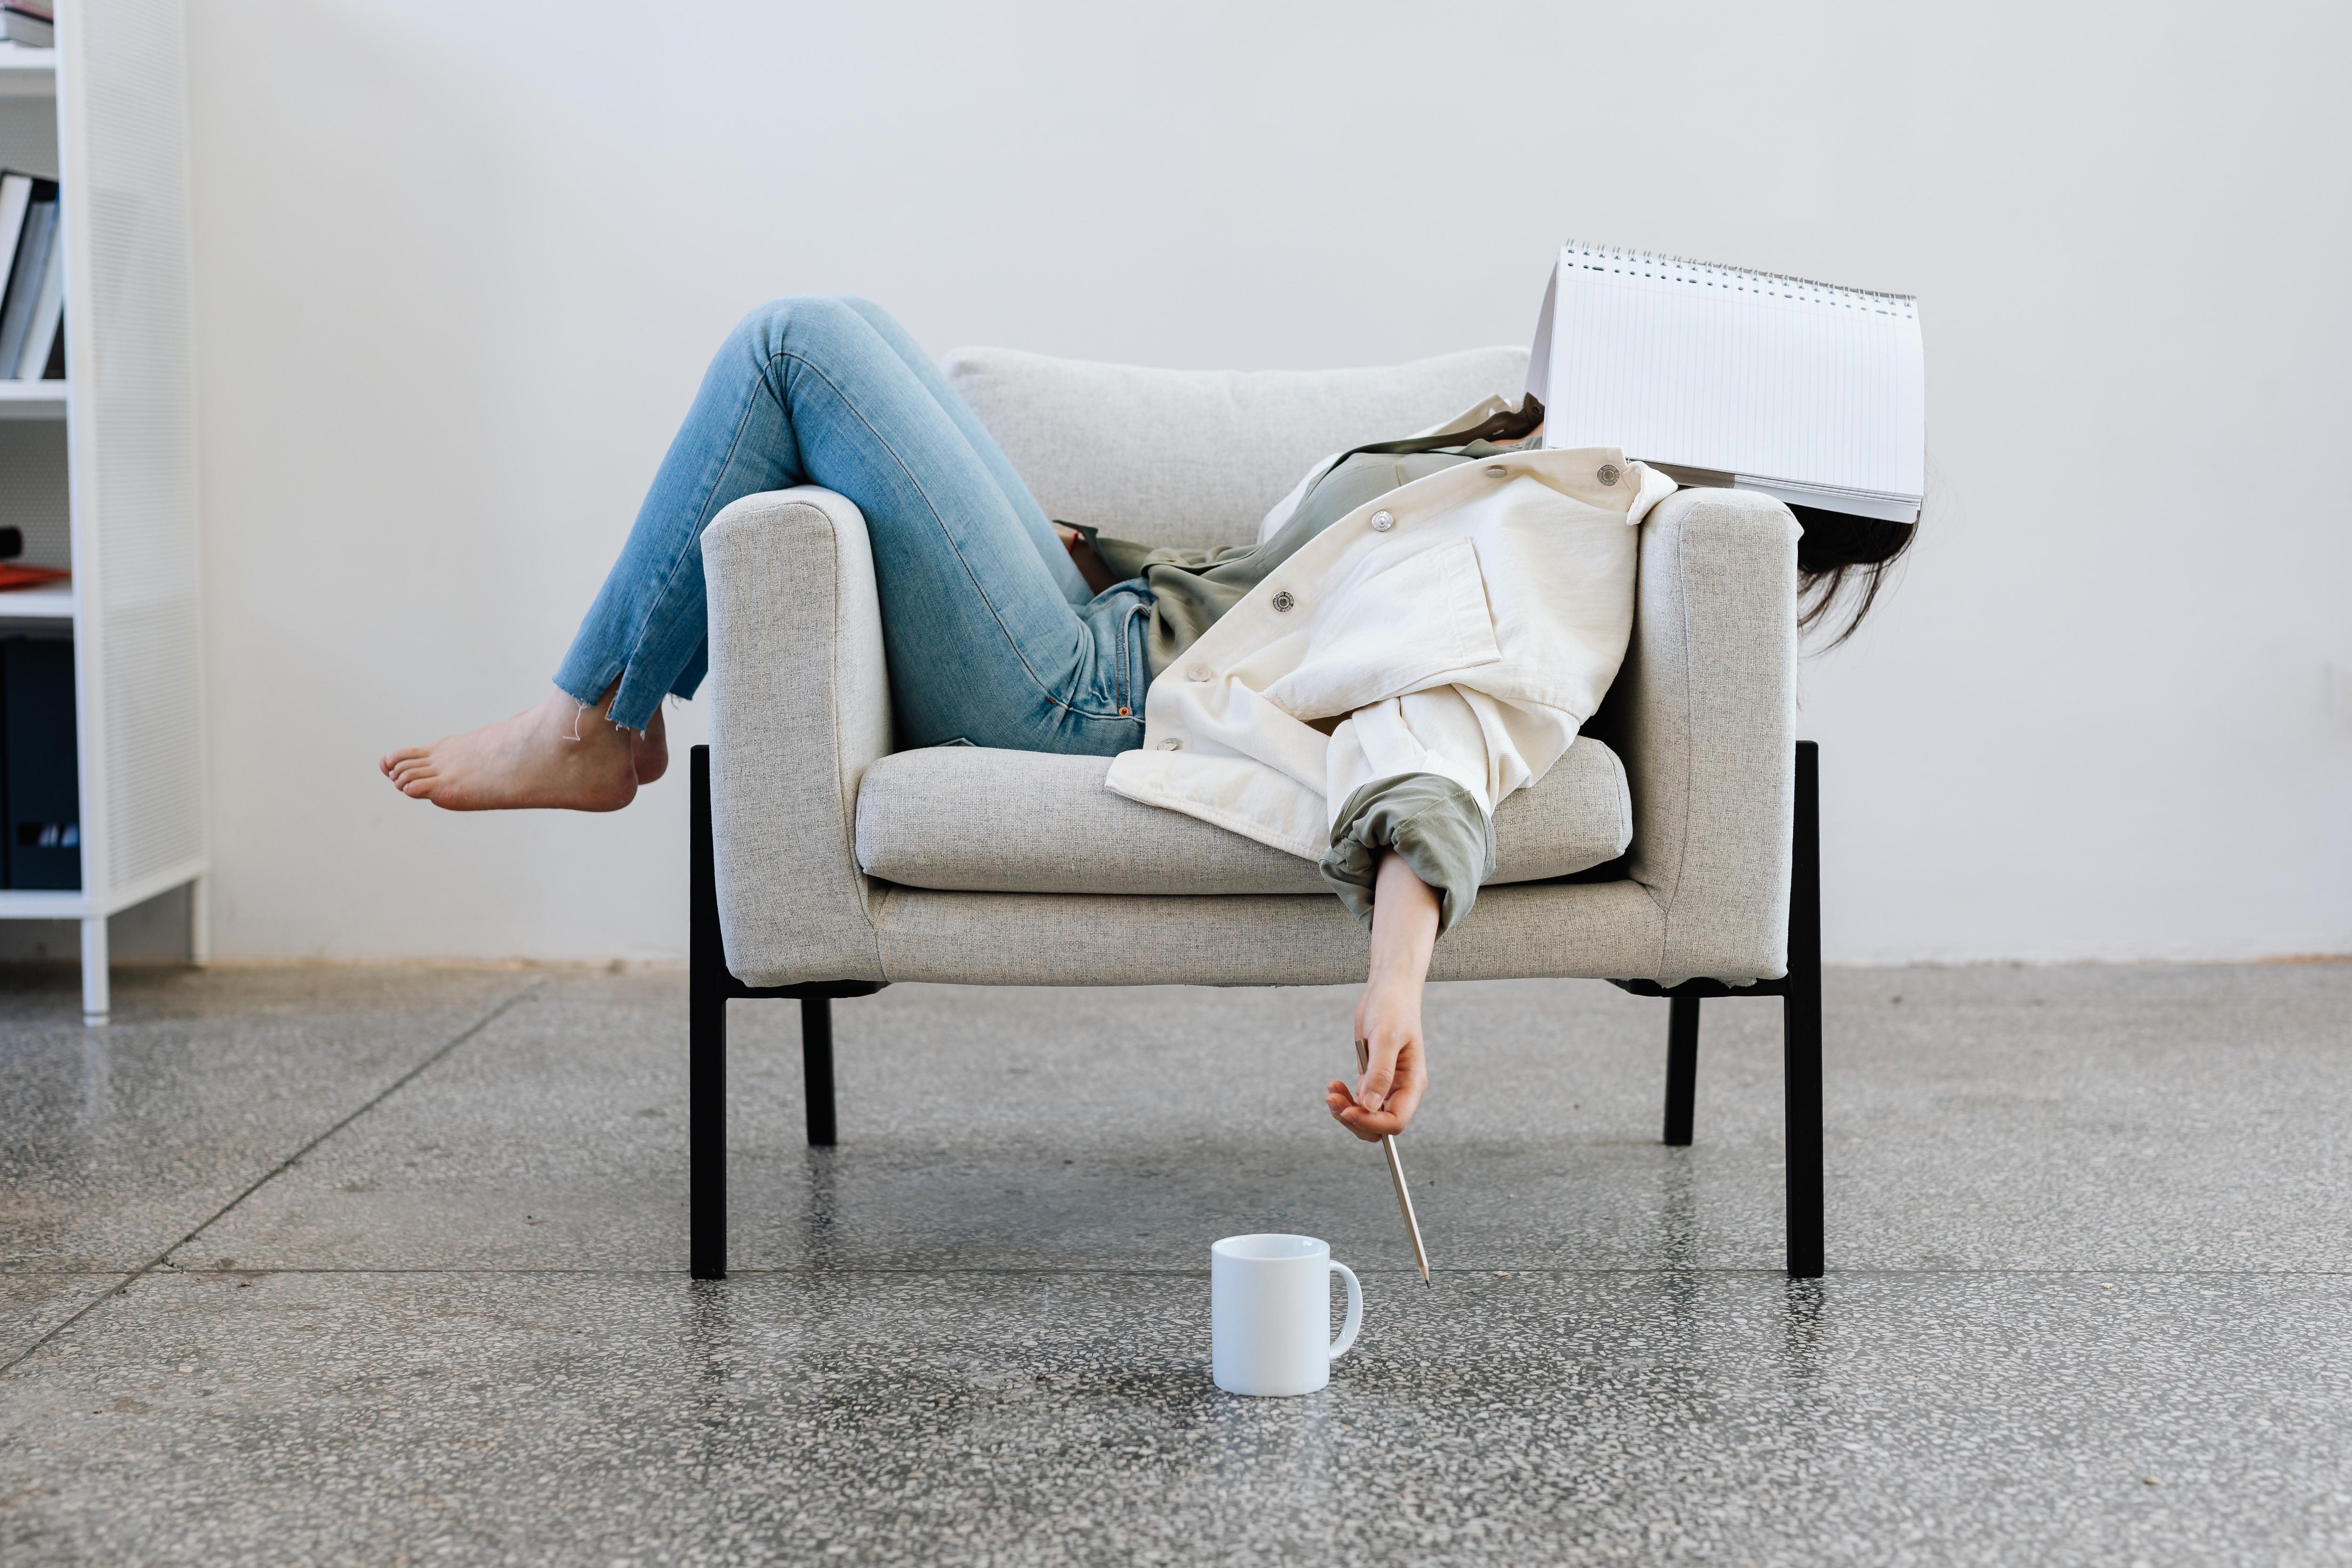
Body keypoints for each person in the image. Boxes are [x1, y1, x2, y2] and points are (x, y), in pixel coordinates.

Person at [382, 296, 1910, 1145]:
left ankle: (592, 721)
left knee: (801, 344)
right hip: (1097, 633)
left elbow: (1446, 727)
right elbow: (1276, 594)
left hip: (1084, 696)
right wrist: (1082, 552)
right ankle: (598, 715)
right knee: (843, 340)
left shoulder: (1585, 531)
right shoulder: (1543, 467)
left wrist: (1398, 981)